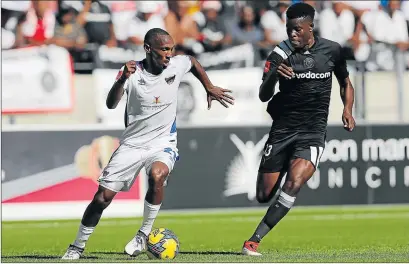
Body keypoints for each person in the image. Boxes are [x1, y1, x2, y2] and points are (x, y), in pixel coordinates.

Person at [62, 27, 234, 260]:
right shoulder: (132, 73)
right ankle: (77, 246)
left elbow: (192, 61)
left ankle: (143, 234)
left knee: (158, 174)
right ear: (148, 49)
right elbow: (111, 104)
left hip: (163, 141)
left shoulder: (175, 65)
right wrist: (122, 78)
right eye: (164, 49)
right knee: (102, 197)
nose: (169, 54)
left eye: (171, 49)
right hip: (132, 144)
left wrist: (209, 87)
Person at [241, 2, 356, 256]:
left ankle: (254, 240)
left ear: (310, 27)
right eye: (288, 29)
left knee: (294, 183)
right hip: (283, 130)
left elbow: (345, 82)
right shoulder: (279, 54)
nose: (292, 34)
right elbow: (263, 95)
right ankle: (282, 166)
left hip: (312, 132)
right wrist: (272, 75)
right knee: (263, 195)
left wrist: (347, 110)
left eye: (297, 29)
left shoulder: (332, 51)